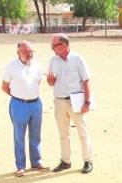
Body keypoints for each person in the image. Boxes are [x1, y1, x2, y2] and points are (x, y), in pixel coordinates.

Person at [47, 34, 94, 174]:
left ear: (64, 45)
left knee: (82, 132)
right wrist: (50, 80)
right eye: (52, 45)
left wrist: (87, 101)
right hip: (59, 100)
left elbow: (86, 81)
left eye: (54, 45)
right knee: (63, 133)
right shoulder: (53, 60)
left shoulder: (77, 59)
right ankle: (65, 160)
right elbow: (50, 83)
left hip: (76, 100)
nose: (52, 48)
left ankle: (88, 160)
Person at [1, 41, 47, 177]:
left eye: (31, 51)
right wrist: (18, 97)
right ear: (18, 52)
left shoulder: (37, 65)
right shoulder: (11, 66)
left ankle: (36, 162)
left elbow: (38, 83)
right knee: (19, 136)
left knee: (36, 135)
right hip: (18, 105)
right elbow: (4, 86)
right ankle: (20, 166)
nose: (29, 54)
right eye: (26, 51)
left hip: (36, 104)